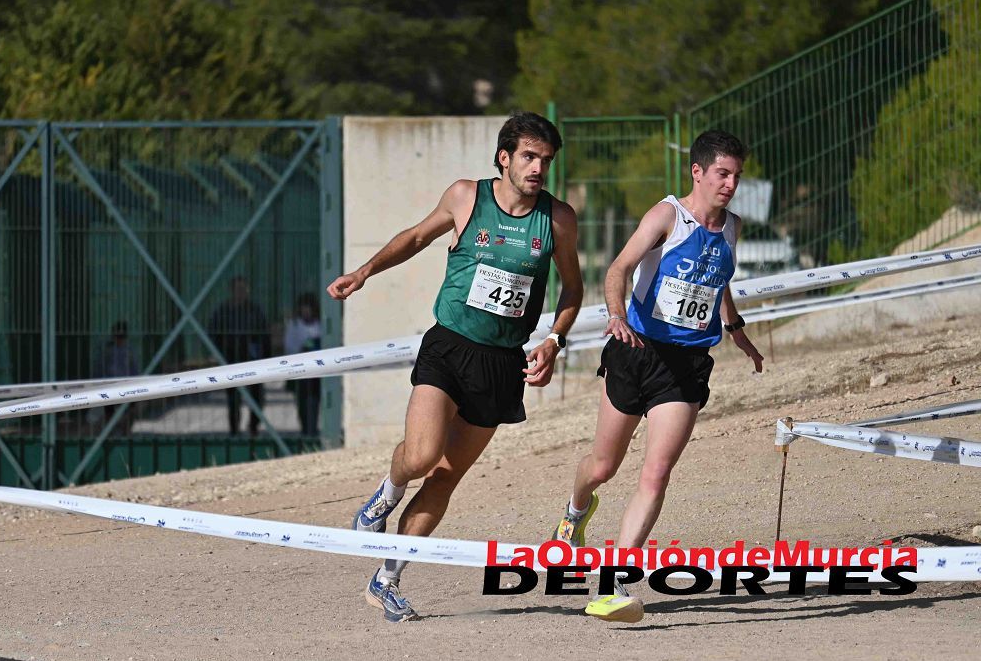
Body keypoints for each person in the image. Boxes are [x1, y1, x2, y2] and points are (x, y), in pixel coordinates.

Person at [327, 111, 584, 622]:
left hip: (502, 363)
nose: (538, 168)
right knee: (421, 456)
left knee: (445, 477)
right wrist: (364, 272)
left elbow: (572, 288)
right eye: (529, 157)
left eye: (546, 161)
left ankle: (387, 579)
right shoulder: (467, 196)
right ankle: (385, 495)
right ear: (505, 157)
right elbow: (417, 236)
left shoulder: (558, 219)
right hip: (449, 346)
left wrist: (554, 341)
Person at [551, 130, 764, 623]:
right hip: (635, 352)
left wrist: (733, 329)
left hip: (686, 365)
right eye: (722, 174)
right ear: (698, 172)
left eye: (736, 175)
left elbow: (718, 278)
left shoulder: (732, 226)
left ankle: (614, 582)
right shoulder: (667, 215)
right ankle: (575, 510)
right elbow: (619, 267)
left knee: (656, 472)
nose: (730, 184)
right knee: (603, 466)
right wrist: (615, 313)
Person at [208, 276, 271, 436]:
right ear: (232, 291)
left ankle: (253, 427)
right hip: (230, 359)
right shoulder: (223, 311)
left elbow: (264, 334)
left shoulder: (254, 310)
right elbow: (213, 333)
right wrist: (217, 354)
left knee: (257, 396)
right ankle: (234, 431)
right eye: (238, 289)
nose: (241, 293)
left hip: (252, 359)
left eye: (243, 289)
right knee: (233, 399)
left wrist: (265, 356)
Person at [283, 292, 322, 440]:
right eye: (303, 308)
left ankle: (312, 429)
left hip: (317, 373)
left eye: (309, 308)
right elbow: (289, 347)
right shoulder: (294, 325)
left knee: (314, 400)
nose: (306, 311)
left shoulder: (320, 324)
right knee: (301, 402)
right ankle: (305, 429)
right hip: (299, 372)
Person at [93, 320, 140, 435]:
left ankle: (125, 431)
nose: (119, 340)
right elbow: (99, 368)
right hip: (110, 387)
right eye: (117, 337)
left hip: (127, 386)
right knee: (109, 413)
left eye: (122, 337)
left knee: (130, 411)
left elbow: (134, 369)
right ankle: (110, 432)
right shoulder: (107, 350)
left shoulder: (129, 350)